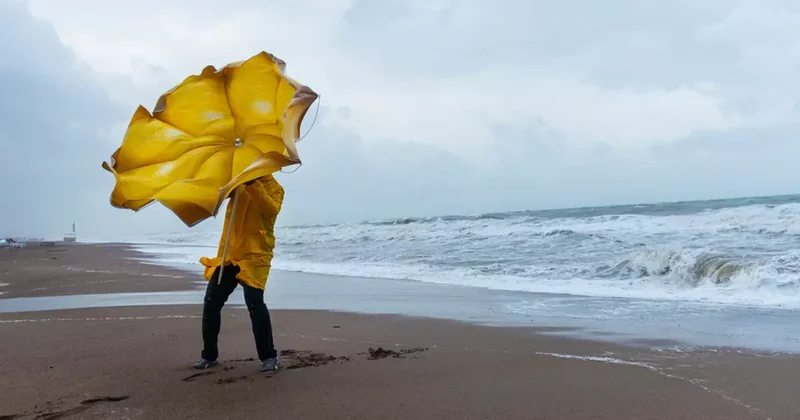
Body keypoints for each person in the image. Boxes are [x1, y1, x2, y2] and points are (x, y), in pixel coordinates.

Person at [192, 175, 285, 372]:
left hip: (256, 255)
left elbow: (270, 210)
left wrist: (252, 184)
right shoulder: (237, 185)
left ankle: (269, 357)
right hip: (230, 254)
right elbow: (216, 196)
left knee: (254, 302)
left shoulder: (275, 188)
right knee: (211, 302)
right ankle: (209, 355)